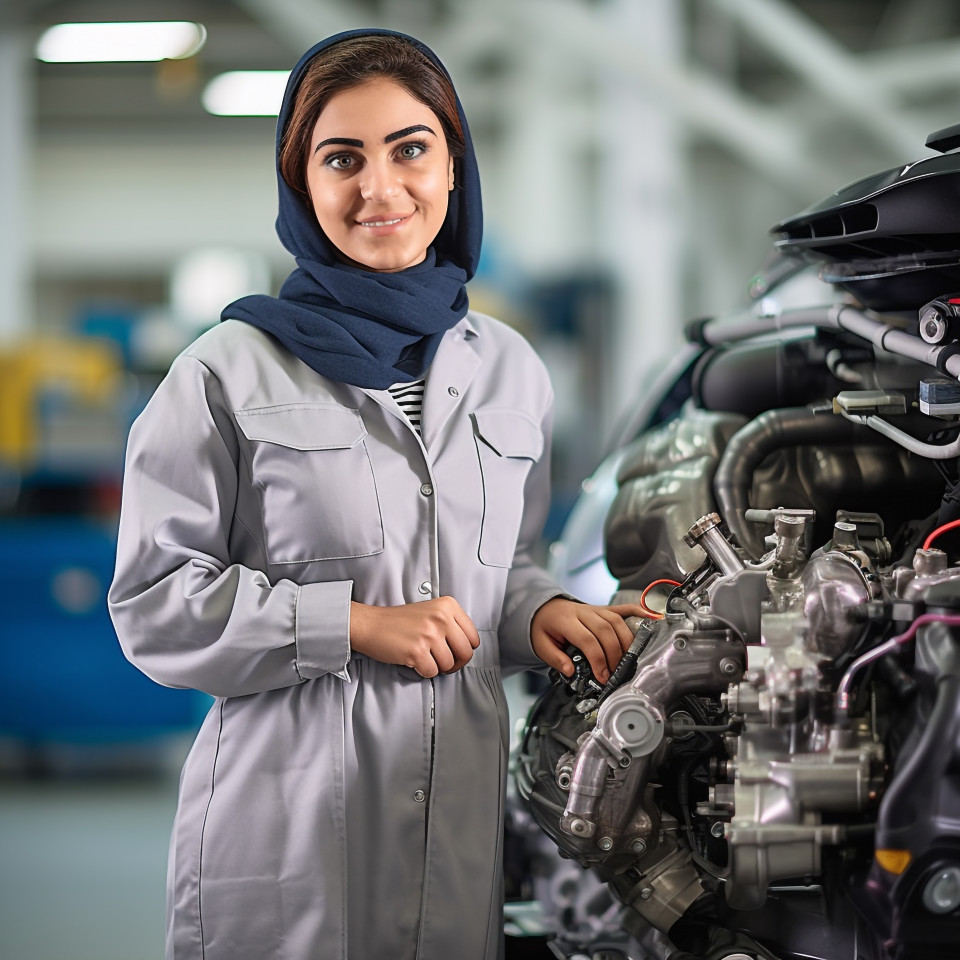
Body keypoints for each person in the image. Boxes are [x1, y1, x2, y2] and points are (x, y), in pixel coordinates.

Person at [108, 28, 642, 960]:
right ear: (301, 184)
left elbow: (493, 572)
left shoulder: (510, 371)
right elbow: (155, 605)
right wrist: (353, 625)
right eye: (341, 158)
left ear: (453, 168)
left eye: (410, 150)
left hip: (456, 830)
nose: (380, 188)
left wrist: (544, 611)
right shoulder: (224, 373)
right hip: (286, 834)